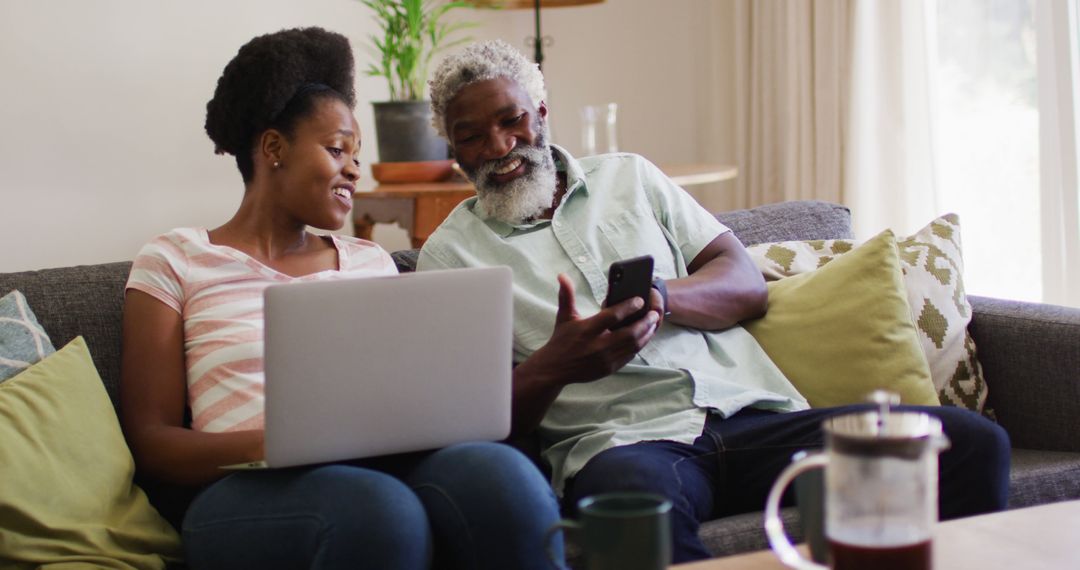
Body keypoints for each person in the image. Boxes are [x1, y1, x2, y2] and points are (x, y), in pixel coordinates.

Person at [418, 39, 1011, 563]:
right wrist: (558, 364)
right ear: (454, 150)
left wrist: (661, 298)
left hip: (756, 417)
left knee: (969, 443)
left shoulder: (630, 177)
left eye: (512, 120)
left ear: (542, 114)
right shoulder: (449, 255)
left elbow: (745, 283)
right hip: (625, 446)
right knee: (630, 518)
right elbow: (475, 420)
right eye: (471, 136)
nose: (499, 146)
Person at [119, 28, 562, 570]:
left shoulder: (370, 261)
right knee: (380, 510)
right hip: (243, 493)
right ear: (274, 149)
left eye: (357, 153)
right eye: (337, 150)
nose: (354, 168)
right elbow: (154, 443)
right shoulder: (176, 259)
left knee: (503, 477)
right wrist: (292, 442)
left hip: (383, 466)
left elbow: (408, 393)